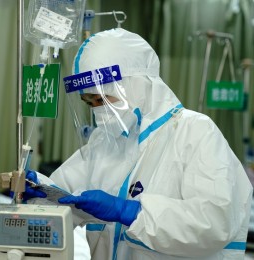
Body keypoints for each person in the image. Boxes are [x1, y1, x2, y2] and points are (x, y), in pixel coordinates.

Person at [25, 28, 253, 259]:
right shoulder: (104, 143)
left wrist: (130, 212)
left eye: (103, 99)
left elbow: (214, 222)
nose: (98, 111)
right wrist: (39, 191)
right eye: (89, 102)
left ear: (136, 86)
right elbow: (66, 194)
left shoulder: (194, 132)